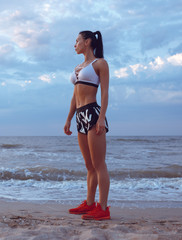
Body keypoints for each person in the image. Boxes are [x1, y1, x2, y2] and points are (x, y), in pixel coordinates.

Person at [64, 30, 110, 220]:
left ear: (87, 41)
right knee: (89, 165)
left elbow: (105, 93)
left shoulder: (100, 63)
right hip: (80, 116)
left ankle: (103, 208)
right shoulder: (77, 67)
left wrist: (101, 118)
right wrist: (68, 119)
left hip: (93, 113)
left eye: (77, 41)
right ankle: (89, 204)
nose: (74, 44)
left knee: (99, 164)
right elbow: (75, 95)